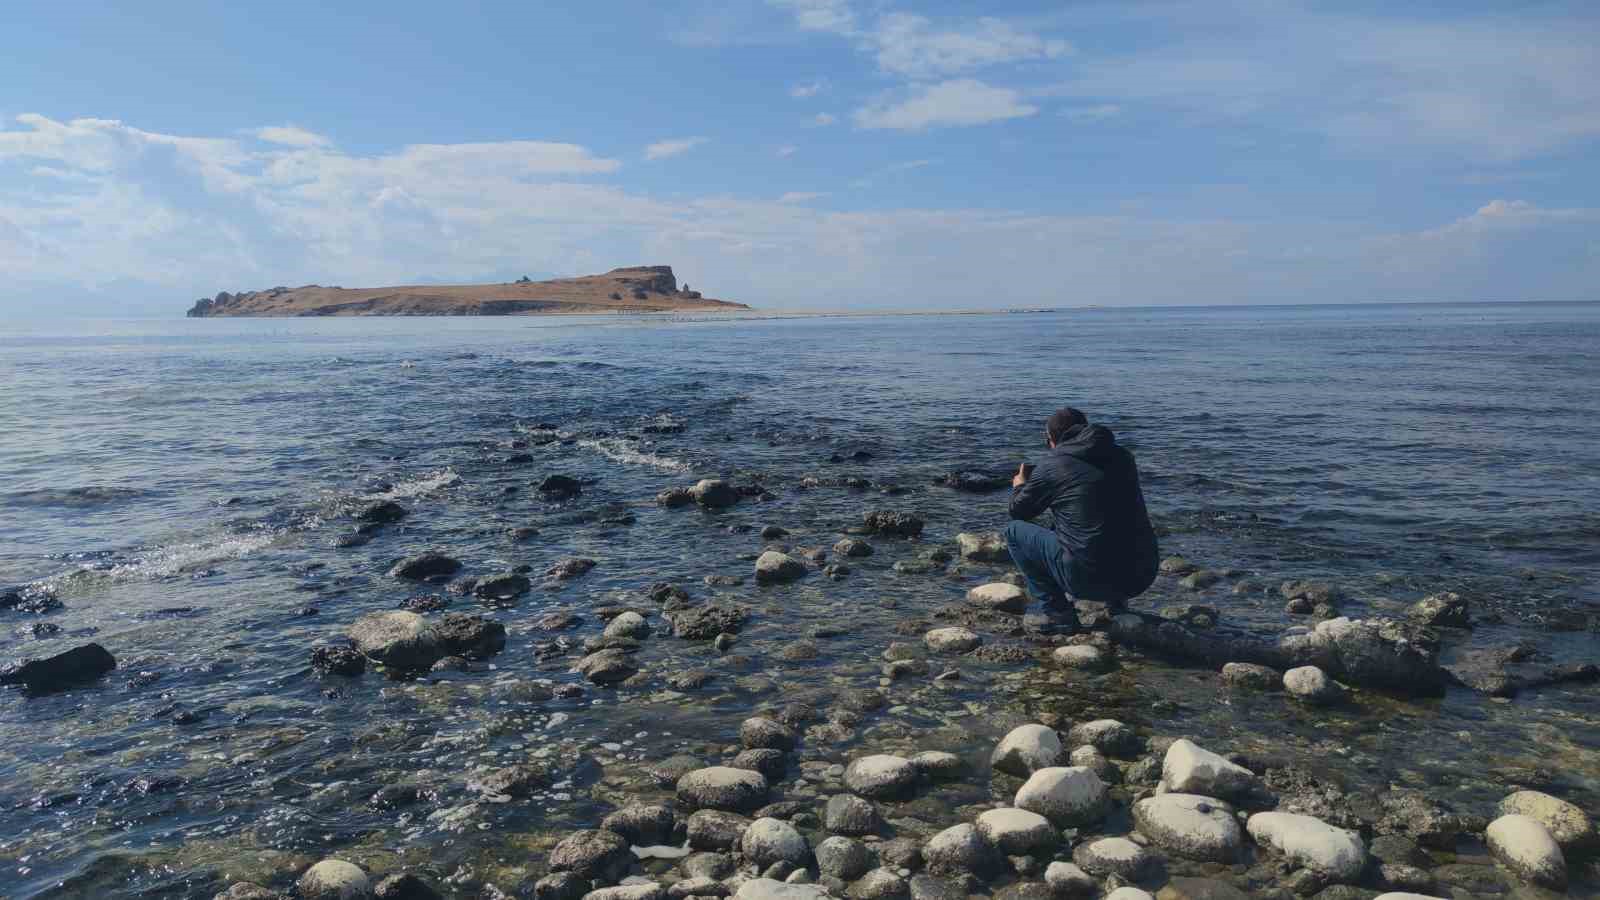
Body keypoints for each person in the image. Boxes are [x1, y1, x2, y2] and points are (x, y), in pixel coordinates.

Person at [1005, 407, 1159, 629]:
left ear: (1052, 439)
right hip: (1141, 577)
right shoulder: (1123, 456)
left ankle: (1058, 613)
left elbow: (1019, 511)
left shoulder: (1053, 464)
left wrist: (1020, 486)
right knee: (1099, 514)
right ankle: (1117, 605)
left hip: (1087, 583)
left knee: (1014, 531)